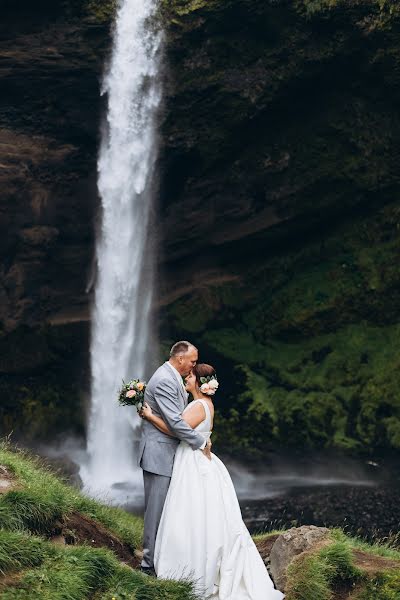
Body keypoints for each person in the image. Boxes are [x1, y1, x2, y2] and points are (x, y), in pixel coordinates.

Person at [141, 363, 284, 599]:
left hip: (192, 462)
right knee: (204, 513)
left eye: (188, 377)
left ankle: (188, 565)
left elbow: (176, 430)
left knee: (190, 512)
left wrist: (150, 416)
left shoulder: (198, 406)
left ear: (198, 382)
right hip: (199, 459)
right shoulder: (206, 404)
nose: (185, 380)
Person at [137, 341, 211, 576]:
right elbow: (176, 423)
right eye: (192, 360)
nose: (194, 365)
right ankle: (147, 564)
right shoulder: (165, 380)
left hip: (171, 453)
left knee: (170, 510)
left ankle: (163, 558)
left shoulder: (173, 377)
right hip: (159, 454)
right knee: (156, 510)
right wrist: (201, 442)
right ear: (180, 359)